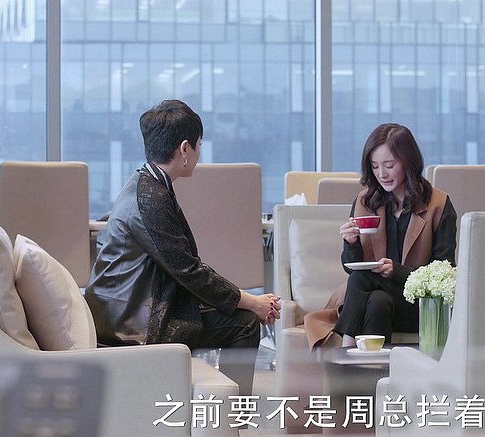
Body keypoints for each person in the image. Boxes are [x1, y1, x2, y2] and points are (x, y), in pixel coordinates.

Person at [85, 99, 280, 396]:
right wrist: (252, 302)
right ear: (185, 149)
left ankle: (226, 413)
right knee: (245, 324)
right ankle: (229, 417)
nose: (199, 153)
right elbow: (189, 271)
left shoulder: (144, 183)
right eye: (199, 145)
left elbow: (184, 269)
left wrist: (246, 300)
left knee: (240, 316)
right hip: (134, 326)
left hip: (128, 312)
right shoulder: (152, 199)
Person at [304, 123, 457, 348]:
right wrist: (351, 242)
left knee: (362, 280)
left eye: (389, 165)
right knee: (377, 301)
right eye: (375, 166)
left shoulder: (438, 204)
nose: (381, 174)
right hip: (376, 300)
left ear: (408, 162)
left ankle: (345, 346)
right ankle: (373, 369)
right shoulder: (365, 201)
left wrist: (397, 271)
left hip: (419, 306)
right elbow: (351, 266)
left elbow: (444, 272)